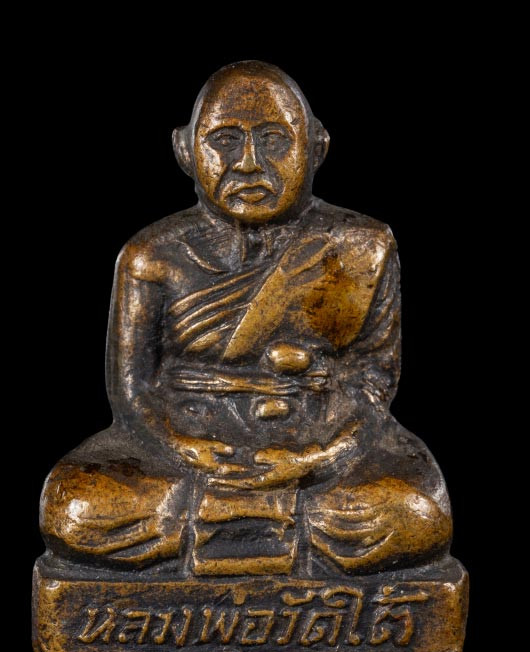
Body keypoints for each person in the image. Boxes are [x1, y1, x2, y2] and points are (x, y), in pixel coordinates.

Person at [40, 61, 451, 577]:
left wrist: (315, 458)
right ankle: (271, 534)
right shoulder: (153, 255)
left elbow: (372, 381)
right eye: (225, 141)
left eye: (275, 141)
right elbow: (133, 390)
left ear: (316, 148)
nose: (250, 164)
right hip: (190, 444)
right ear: (185, 151)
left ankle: (221, 532)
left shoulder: (360, 247)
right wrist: (186, 447)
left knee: (415, 513)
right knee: (75, 506)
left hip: (314, 436)